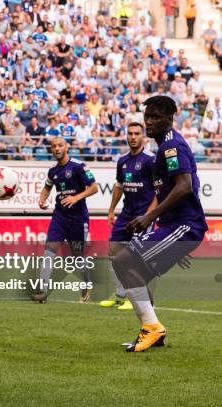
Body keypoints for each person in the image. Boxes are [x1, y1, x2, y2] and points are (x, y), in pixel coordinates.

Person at [112, 95, 208, 352]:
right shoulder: (162, 149)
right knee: (136, 272)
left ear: (170, 118)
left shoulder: (171, 147)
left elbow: (185, 187)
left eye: (156, 117)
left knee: (122, 260)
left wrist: (149, 217)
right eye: (148, 117)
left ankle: (152, 328)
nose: (150, 121)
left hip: (184, 226)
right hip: (174, 228)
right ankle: (153, 332)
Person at [31, 137, 99, 303]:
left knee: (78, 256)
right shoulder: (53, 171)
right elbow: (47, 187)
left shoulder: (78, 166)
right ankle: (42, 291)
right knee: (48, 251)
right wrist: (42, 200)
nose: (56, 149)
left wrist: (76, 198)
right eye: (53, 146)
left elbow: (94, 187)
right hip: (59, 217)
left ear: (66, 147)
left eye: (60, 145)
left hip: (78, 217)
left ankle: (87, 283)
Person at [100, 123, 156, 311]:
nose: (133, 137)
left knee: (135, 256)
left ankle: (138, 298)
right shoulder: (122, 160)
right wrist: (111, 209)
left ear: (143, 137)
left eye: (136, 134)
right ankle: (120, 295)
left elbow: (160, 190)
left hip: (143, 216)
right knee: (113, 252)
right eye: (130, 133)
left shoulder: (150, 160)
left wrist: (150, 215)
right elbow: (119, 186)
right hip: (126, 214)